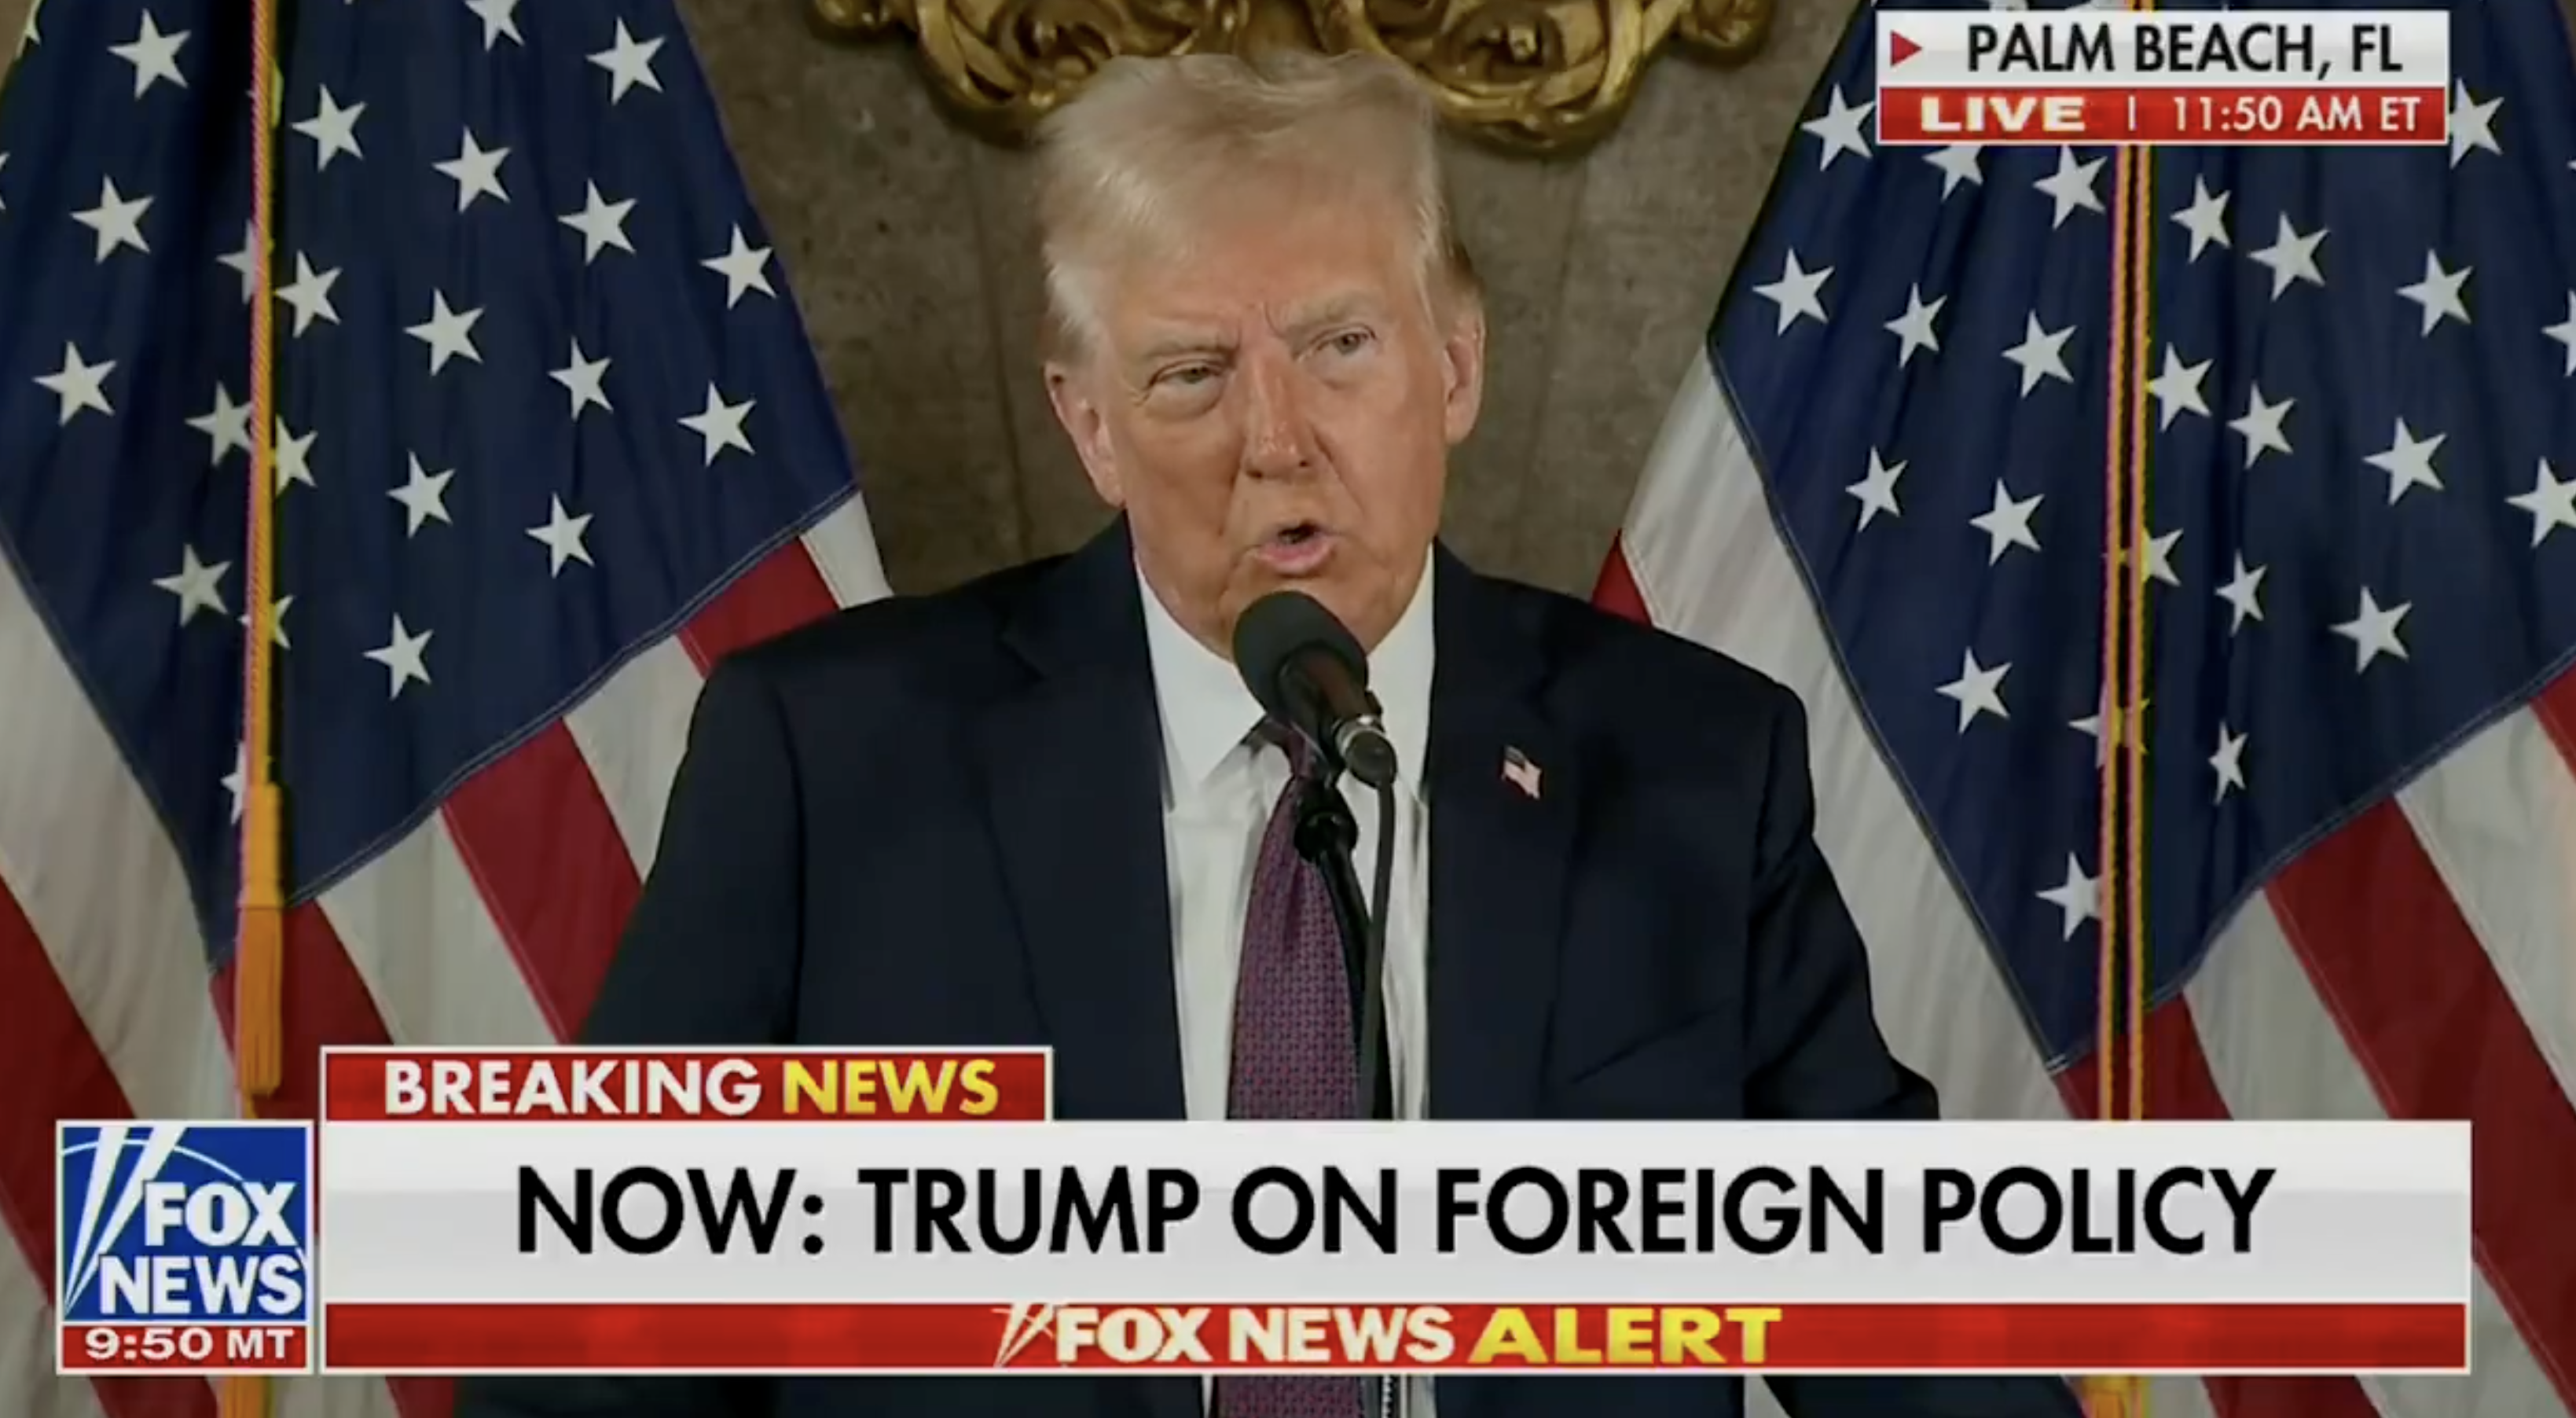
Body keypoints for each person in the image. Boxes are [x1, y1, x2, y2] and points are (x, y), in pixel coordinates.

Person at [456, 49, 2083, 1418]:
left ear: (1453, 366)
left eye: (1338, 345)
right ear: (1088, 423)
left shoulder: (1693, 769)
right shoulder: (829, 765)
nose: (1274, 440)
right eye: (1186, 374)